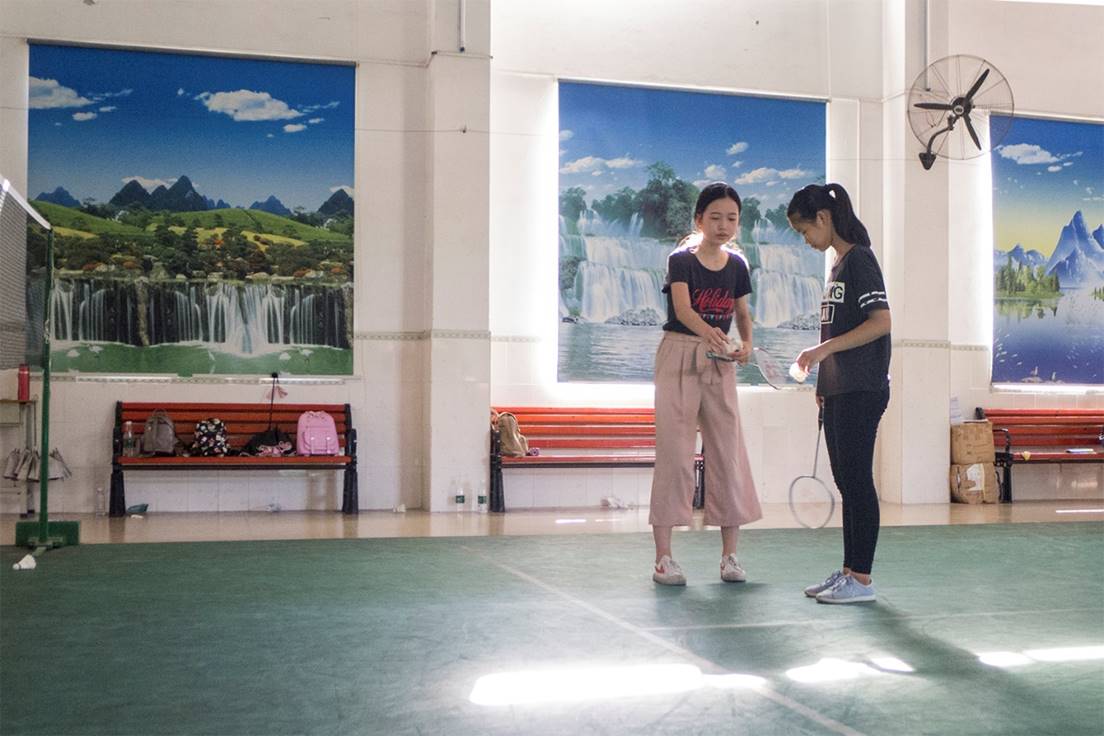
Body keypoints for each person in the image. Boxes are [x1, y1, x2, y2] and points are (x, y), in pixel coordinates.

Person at [650, 182, 762, 586]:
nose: (723, 225)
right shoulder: (680, 260)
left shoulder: (738, 266)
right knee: (675, 456)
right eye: (715, 217)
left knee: (728, 455)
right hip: (679, 355)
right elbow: (683, 309)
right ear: (699, 220)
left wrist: (746, 344)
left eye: (731, 218)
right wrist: (711, 335)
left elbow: (742, 314)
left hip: (720, 361)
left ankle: (730, 557)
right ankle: (664, 559)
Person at [788, 183, 891, 604]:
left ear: (824, 218)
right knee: (846, 481)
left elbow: (880, 322)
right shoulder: (838, 265)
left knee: (858, 480)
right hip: (838, 388)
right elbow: (837, 326)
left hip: (862, 387)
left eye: (805, 231)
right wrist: (823, 381)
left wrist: (822, 351)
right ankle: (849, 571)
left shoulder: (860, 260)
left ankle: (861, 579)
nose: (806, 240)